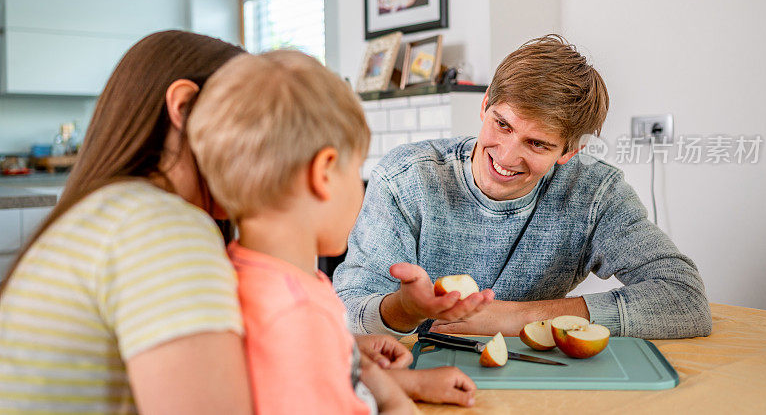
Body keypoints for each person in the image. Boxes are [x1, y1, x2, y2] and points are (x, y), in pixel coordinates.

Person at [334, 34, 713, 340]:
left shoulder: (594, 193)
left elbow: (684, 298)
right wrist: (405, 309)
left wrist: (520, 317)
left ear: (569, 150)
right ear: (485, 105)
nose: (507, 156)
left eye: (537, 144)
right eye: (502, 124)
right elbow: (347, 309)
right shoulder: (405, 178)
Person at [187, 51, 477, 414]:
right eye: (355, 169)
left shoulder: (245, 275)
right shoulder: (297, 311)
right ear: (323, 174)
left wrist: (397, 380)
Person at [0, 30, 252, 413]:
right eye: (255, 120)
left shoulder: (108, 209)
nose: (269, 145)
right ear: (184, 107)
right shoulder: (161, 226)